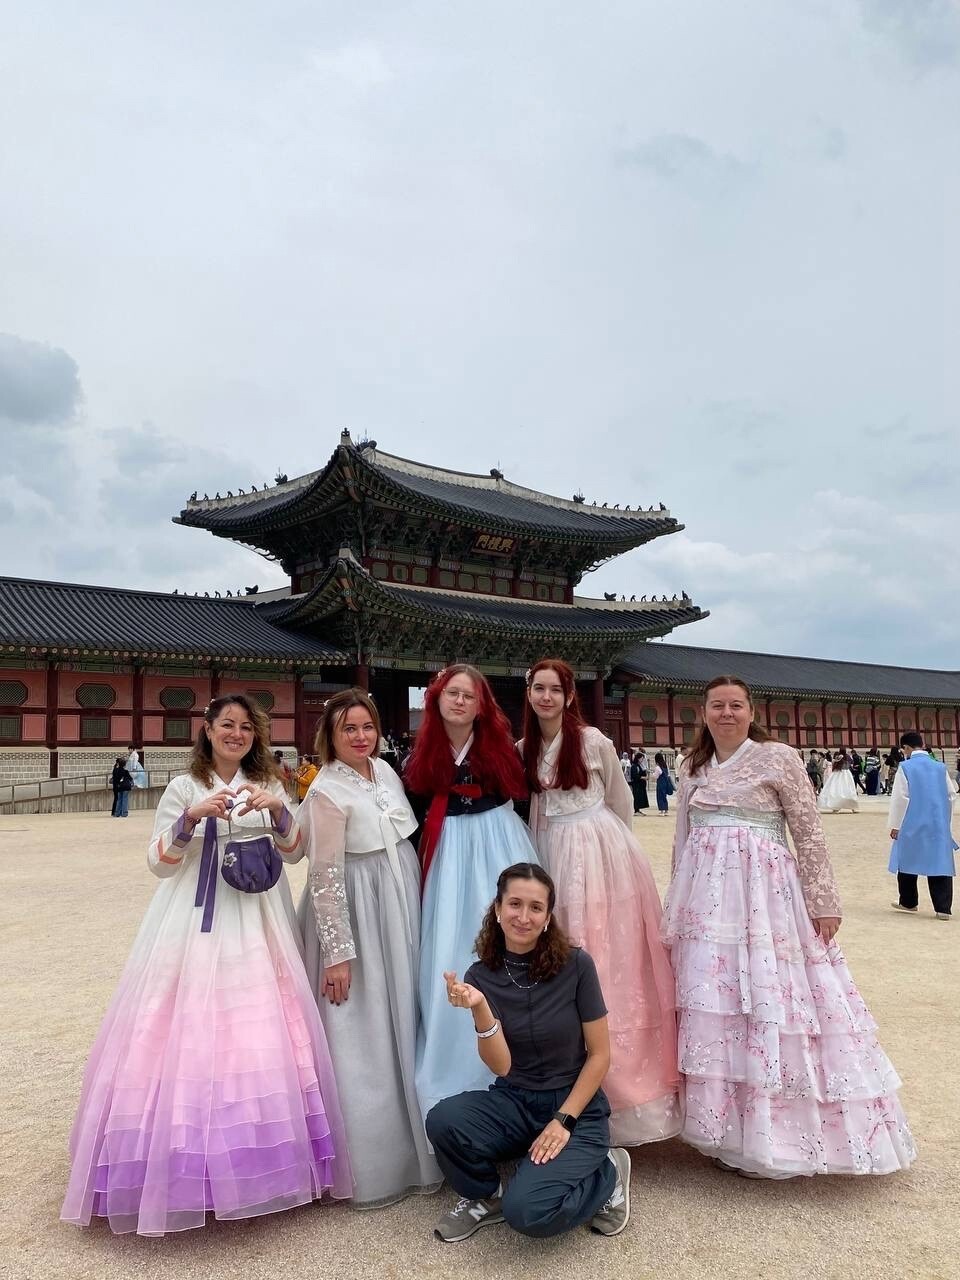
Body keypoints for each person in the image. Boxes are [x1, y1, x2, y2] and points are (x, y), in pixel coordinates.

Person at [61, 694, 351, 1235]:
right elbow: (158, 863)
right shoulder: (183, 786)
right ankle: (182, 1165)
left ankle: (263, 1165)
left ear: (255, 736)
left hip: (259, 918)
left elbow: (293, 852)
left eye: (246, 727)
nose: (236, 734)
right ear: (208, 730)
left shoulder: (266, 783)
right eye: (227, 725)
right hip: (194, 921)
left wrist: (278, 810)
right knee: (185, 1029)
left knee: (261, 1030)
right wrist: (192, 818)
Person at [662, 675, 916, 1179]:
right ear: (703, 712)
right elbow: (683, 837)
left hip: (766, 896)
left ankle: (778, 1136)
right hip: (707, 900)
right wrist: (677, 899)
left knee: (772, 998)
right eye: (717, 705)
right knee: (717, 1002)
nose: (727, 714)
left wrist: (823, 900)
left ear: (751, 711)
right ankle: (725, 1130)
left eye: (736, 705)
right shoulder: (693, 765)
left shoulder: (778, 758)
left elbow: (807, 830)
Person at [520, 660, 680, 1145]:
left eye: (556, 689)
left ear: (570, 696)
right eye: (539, 688)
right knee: (562, 954)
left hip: (599, 849)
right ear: (529, 693)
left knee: (609, 958)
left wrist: (614, 855)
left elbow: (619, 799)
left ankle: (625, 1092)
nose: (546, 697)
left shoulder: (593, 741)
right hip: (550, 848)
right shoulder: (524, 747)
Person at [426, 864, 631, 1242]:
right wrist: (480, 1007)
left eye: (536, 908)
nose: (523, 916)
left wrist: (563, 1120)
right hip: (515, 1099)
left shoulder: (577, 965)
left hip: (575, 1105)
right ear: (497, 909)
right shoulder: (480, 976)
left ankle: (608, 1174)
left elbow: (600, 1055)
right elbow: (501, 1066)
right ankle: (486, 1195)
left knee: (528, 1212)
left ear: (548, 917)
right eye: (515, 904)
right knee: (443, 1120)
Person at [297, 689, 442, 1207]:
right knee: (366, 1026)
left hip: (399, 896)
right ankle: (373, 1160)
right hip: (359, 904)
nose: (360, 737)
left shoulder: (384, 771)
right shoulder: (326, 790)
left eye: (367, 727)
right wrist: (338, 953)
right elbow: (323, 875)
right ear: (331, 736)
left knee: (405, 1010)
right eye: (348, 729)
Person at [404, 664, 539, 1120]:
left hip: (496, 842)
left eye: (469, 696)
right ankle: (452, 1059)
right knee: (450, 942)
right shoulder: (421, 752)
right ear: (436, 699)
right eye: (452, 694)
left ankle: (516, 1055)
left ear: (482, 705)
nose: (460, 702)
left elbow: (521, 797)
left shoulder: (499, 747)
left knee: (506, 935)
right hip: (448, 851)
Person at [888, 732, 958, 921]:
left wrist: (896, 825)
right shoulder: (940, 767)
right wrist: (944, 820)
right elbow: (951, 795)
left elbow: (901, 798)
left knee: (906, 858)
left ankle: (908, 901)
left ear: (906, 748)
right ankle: (943, 908)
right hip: (937, 822)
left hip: (912, 822)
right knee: (939, 862)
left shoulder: (905, 767)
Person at [630, 749, 649, 813]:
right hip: (636, 784)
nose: (642, 760)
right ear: (638, 758)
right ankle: (636, 810)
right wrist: (643, 777)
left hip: (639, 784)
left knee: (639, 797)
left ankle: (638, 809)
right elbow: (635, 775)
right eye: (641, 759)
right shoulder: (634, 766)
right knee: (636, 796)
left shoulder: (638, 765)